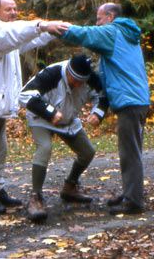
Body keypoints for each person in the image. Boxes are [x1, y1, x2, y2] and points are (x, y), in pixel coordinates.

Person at [0, 0, 69, 214]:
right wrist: (41, 24)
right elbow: (15, 34)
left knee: (0, 151)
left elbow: (26, 40)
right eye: (7, 9)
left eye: (15, 9)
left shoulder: (9, 37)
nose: (13, 13)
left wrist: (50, 32)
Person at [59, 3, 150, 215]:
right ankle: (130, 194)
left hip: (130, 102)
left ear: (110, 17)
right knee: (131, 151)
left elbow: (85, 35)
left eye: (99, 19)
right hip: (136, 100)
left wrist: (57, 28)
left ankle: (134, 202)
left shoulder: (113, 32)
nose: (97, 23)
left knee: (130, 154)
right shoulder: (126, 35)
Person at [19, 54, 108, 222]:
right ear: (67, 70)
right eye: (74, 80)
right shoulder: (51, 74)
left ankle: (70, 187)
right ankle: (35, 197)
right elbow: (24, 95)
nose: (77, 85)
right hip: (42, 118)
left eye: (81, 82)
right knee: (44, 148)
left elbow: (102, 96)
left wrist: (97, 113)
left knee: (88, 152)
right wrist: (48, 112)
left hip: (68, 119)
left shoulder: (89, 78)